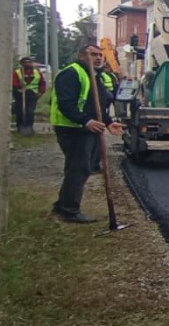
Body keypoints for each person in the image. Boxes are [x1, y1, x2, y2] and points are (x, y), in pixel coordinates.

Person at [50, 43, 122, 223]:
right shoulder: (71, 74)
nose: (98, 58)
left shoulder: (96, 75)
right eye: (93, 55)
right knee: (79, 168)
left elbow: (98, 105)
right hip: (72, 129)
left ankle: (63, 204)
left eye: (100, 55)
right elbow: (66, 104)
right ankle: (69, 210)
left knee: (82, 167)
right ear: (82, 56)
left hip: (89, 128)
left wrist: (109, 122)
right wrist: (86, 121)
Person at [11, 56, 46, 135]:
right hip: (20, 94)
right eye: (25, 62)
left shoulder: (37, 72)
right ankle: (20, 126)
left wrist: (41, 92)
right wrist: (19, 85)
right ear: (22, 64)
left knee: (30, 111)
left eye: (29, 62)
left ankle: (29, 127)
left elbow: (42, 83)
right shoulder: (17, 72)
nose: (27, 64)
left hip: (32, 94)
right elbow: (13, 83)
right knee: (20, 112)